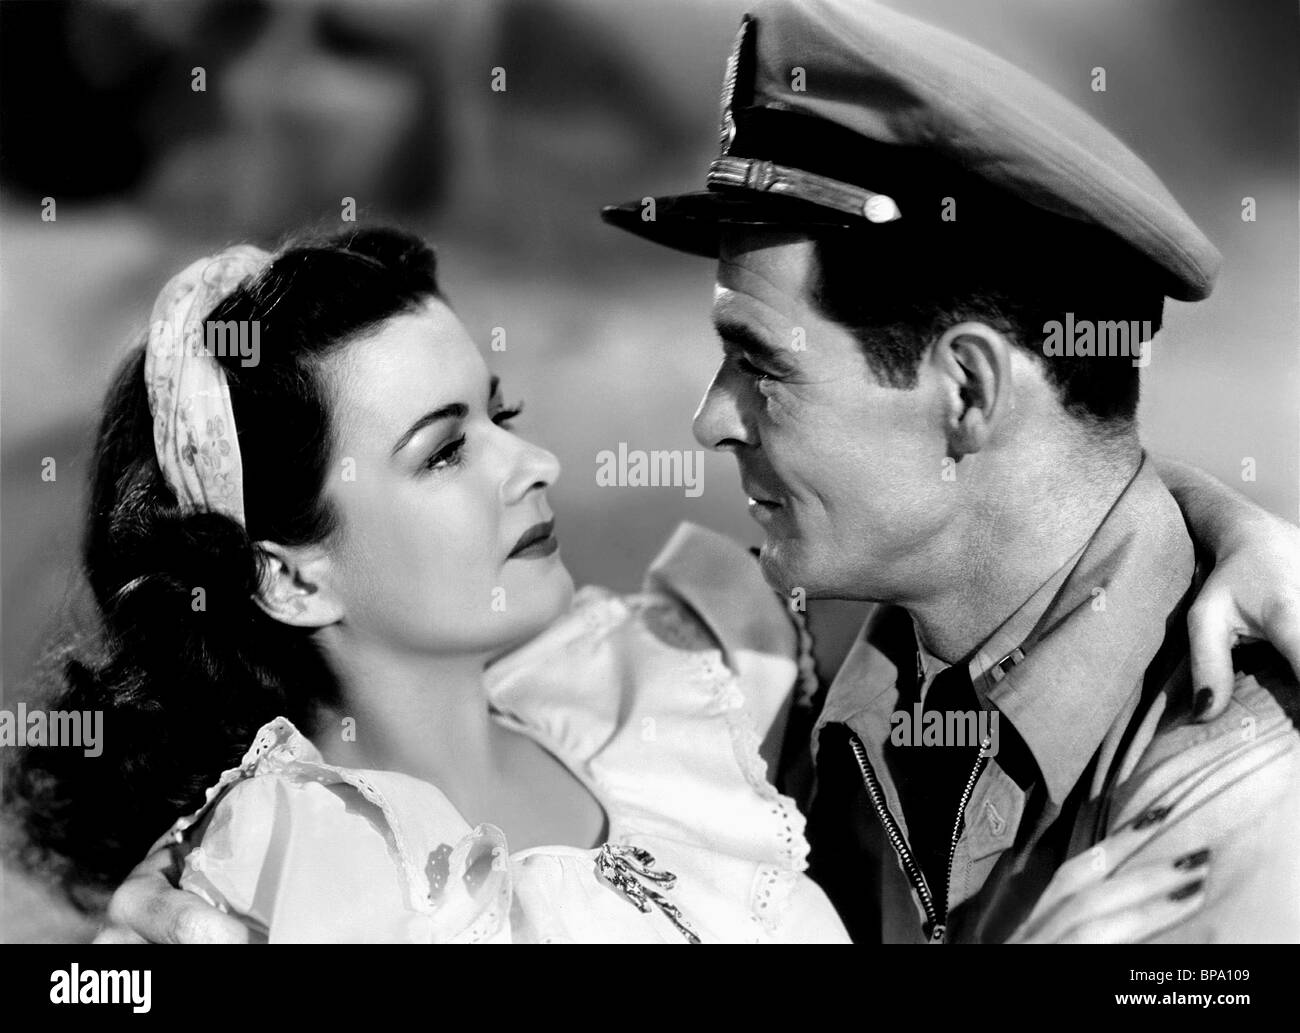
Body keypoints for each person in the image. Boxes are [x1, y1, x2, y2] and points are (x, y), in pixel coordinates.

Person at [598, 0, 1300, 942]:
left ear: (967, 392)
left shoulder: (1243, 793)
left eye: (763, 364)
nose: (711, 420)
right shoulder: (808, 656)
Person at [5, 228, 849, 942]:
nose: (534, 464)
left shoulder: (652, 679)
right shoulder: (281, 864)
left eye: (500, 415)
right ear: (290, 578)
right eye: (443, 451)